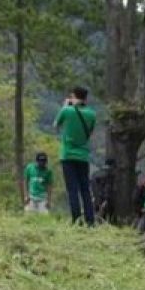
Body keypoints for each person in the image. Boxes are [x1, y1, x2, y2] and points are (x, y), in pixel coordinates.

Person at [54, 87, 97, 225]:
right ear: (85, 98)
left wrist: (66, 105)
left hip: (68, 155)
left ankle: (76, 219)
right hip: (83, 156)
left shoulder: (67, 110)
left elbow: (56, 125)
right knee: (85, 189)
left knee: (72, 189)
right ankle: (90, 220)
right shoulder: (92, 114)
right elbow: (89, 133)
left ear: (73, 97)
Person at [91, 158, 115, 222]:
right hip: (104, 200)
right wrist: (106, 199)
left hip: (95, 199)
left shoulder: (95, 174)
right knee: (105, 218)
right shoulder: (109, 174)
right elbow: (108, 188)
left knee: (96, 216)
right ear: (112, 165)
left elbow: (92, 187)